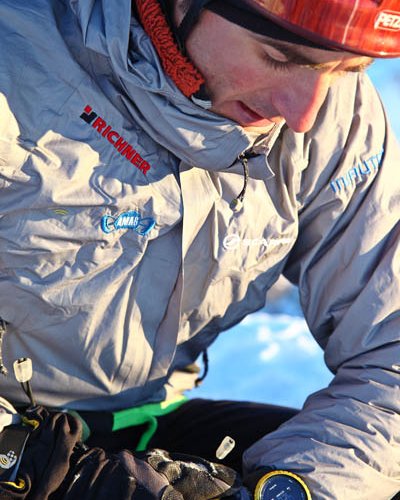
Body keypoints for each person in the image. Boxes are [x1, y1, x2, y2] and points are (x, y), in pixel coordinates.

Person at [0, 0, 399, 498]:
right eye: (278, 56)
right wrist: (32, 458)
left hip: (151, 417)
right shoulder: (14, 60)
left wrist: (295, 489)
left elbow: (392, 345)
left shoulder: (337, 116)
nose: (304, 115)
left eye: (348, 69)